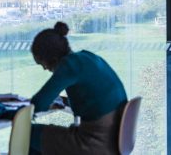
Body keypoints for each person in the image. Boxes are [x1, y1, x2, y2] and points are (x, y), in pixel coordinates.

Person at [29, 22, 127, 154]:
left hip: (94, 143)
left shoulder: (69, 65)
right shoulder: (88, 57)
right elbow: (95, 100)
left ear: (50, 58)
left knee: (26, 133)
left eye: (42, 63)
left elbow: (38, 103)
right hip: (114, 141)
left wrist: (10, 111)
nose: (45, 69)